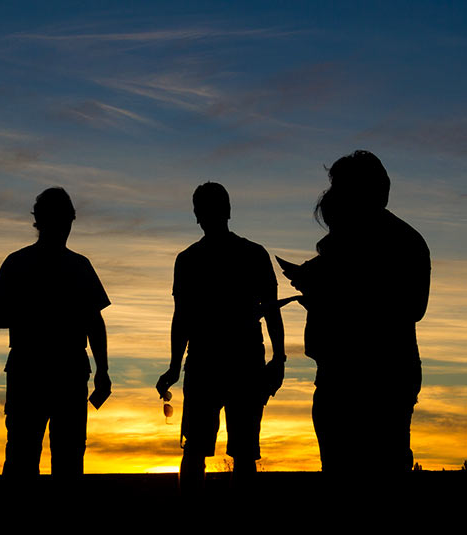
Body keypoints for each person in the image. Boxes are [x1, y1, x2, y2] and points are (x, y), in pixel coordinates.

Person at [282, 150, 430, 476]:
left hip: (378, 377)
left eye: (340, 186)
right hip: (347, 373)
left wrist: (331, 297)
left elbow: (411, 308)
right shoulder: (349, 241)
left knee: (372, 467)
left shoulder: (399, 242)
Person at [156, 182, 286, 493]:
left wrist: (175, 367)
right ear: (227, 211)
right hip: (233, 363)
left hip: (217, 363)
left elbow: (182, 319)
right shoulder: (250, 254)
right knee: (235, 453)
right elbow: (271, 311)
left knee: (203, 450)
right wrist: (278, 358)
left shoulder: (190, 259)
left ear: (197, 215)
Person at [0, 187, 111, 481]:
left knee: (52, 457)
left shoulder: (69, 265)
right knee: (28, 456)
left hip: (54, 371)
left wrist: (103, 371)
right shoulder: (25, 263)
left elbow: (95, 323)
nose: (64, 227)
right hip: (38, 371)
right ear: (42, 221)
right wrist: (102, 371)